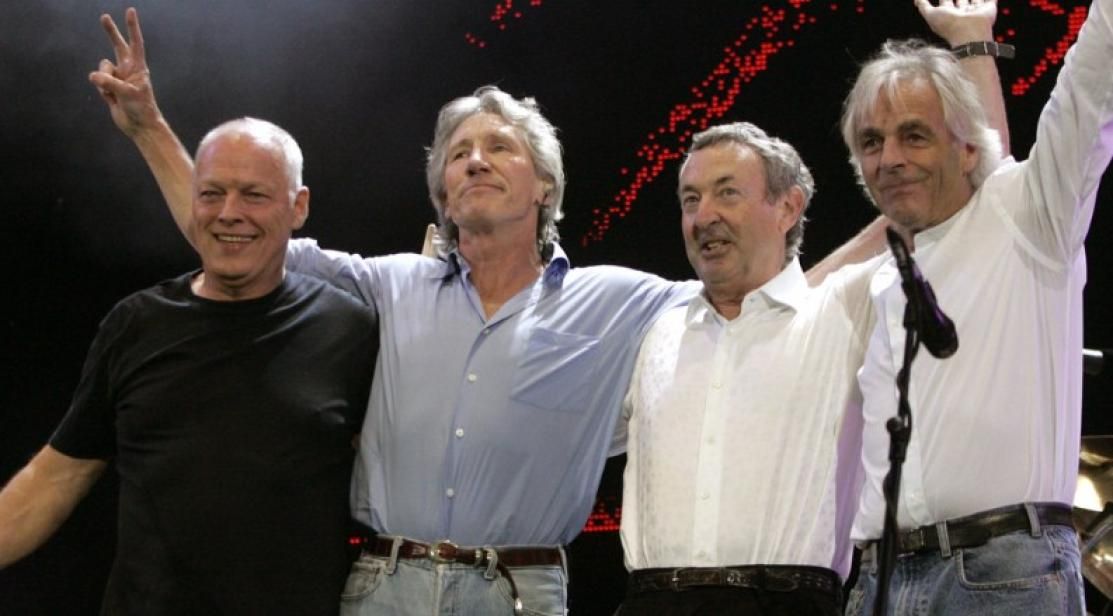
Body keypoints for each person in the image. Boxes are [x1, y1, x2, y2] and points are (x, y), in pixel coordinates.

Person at [89, 9, 697, 615]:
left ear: (545, 185)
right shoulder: (389, 285)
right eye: (459, 154)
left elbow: (740, 299)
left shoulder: (616, 299)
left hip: (516, 590)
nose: (476, 161)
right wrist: (148, 128)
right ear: (444, 196)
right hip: (386, 585)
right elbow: (235, 234)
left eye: (499, 147)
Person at [0, 117, 378, 614]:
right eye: (211, 194)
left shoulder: (349, 329)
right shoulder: (136, 324)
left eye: (254, 195)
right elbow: (57, 478)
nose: (229, 213)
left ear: (298, 206)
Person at [839, 0, 1113, 613]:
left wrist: (972, 40)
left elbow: (1094, 80)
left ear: (968, 149)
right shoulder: (881, 280)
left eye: (914, 135)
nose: (890, 158)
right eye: (871, 142)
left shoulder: (1027, 217)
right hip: (879, 582)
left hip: (1002, 574)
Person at [617, 122, 875, 616]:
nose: (704, 216)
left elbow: (940, 209)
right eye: (691, 200)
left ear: (789, 207)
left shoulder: (842, 311)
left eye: (727, 193)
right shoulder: (657, 334)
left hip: (786, 603)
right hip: (653, 601)